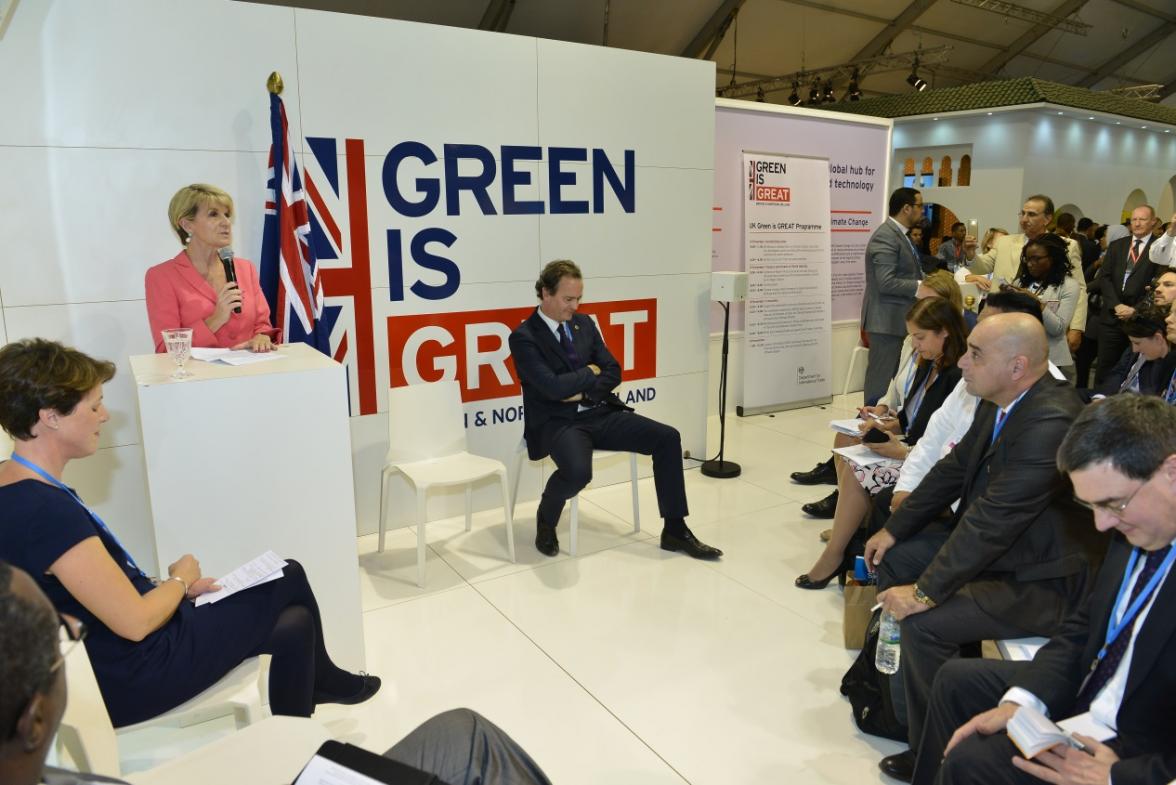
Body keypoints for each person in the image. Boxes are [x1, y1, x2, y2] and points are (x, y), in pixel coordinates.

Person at [0, 339, 378, 728]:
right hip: (133, 673)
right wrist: (181, 580)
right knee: (289, 574)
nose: (104, 416)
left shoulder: (14, 485)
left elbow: (90, 590)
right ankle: (323, 684)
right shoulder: (44, 512)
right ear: (50, 417)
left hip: (110, 659)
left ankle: (298, 733)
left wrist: (164, 586)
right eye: (94, 405)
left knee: (295, 624)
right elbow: (135, 622)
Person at [0, 561, 552, 785]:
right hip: (160, 645)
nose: (75, 630)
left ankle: (318, 683)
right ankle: (322, 682)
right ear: (34, 718)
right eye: (66, 638)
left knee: (289, 622)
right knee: (470, 736)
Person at [862, 313, 1099, 782]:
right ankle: (918, 714)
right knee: (897, 557)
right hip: (1008, 554)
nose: (964, 364)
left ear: (1017, 366)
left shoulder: (1051, 421)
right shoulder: (1001, 400)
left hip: (1044, 579)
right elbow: (954, 468)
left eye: (975, 354)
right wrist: (895, 528)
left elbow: (993, 521)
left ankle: (934, 750)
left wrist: (925, 593)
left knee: (925, 619)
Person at [913, 394, 1176, 785]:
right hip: (1097, 689)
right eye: (1092, 507)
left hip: (1143, 740)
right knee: (955, 681)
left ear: (1171, 471)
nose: (1102, 526)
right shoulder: (1135, 528)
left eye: (1114, 504)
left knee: (973, 761)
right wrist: (1024, 701)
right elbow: (1084, 627)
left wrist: (1122, 777)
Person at [508, 260, 721, 560]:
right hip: (559, 422)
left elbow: (614, 371)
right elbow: (551, 388)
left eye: (579, 298)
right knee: (579, 472)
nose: (575, 306)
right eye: (568, 299)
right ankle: (547, 516)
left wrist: (582, 390)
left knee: (667, 438)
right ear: (545, 293)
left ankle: (675, 529)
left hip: (599, 412)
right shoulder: (524, 337)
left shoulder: (585, 324)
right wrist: (589, 372)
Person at [795, 297, 966, 589]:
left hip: (923, 461)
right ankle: (849, 529)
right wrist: (886, 424)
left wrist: (902, 451)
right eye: (913, 336)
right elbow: (913, 416)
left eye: (920, 337)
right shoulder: (930, 364)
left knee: (856, 471)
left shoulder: (958, 378)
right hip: (910, 448)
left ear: (945, 332)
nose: (915, 344)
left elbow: (946, 442)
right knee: (846, 440)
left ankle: (835, 553)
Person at [795, 273, 961, 516]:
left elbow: (937, 433)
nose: (920, 307)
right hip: (904, 421)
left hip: (915, 439)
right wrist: (883, 409)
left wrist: (899, 433)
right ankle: (844, 500)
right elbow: (897, 385)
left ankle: (849, 511)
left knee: (856, 451)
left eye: (929, 302)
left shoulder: (950, 369)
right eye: (918, 301)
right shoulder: (916, 346)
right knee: (847, 436)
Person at [145, 184, 277, 354]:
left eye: (227, 215)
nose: (226, 222)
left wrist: (262, 337)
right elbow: (166, 349)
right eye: (214, 214)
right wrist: (216, 319)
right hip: (198, 377)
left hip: (248, 373)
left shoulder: (245, 269)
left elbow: (262, 325)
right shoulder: (161, 276)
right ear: (187, 225)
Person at [964, 195, 1087, 355]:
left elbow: (1080, 288)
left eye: (1031, 214)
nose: (1024, 219)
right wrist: (971, 255)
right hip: (1000, 318)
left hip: (1041, 324)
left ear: (1047, 218)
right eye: (1022, 213)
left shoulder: (1067, 246)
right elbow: (982, 267)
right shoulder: (1005, 242)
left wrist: (1076, 327)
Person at [861, 188, 926, 405]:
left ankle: (884, 426)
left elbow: (907, 272)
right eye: (920, 206)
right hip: (886, 322)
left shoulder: (902, 235)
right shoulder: (886, 235)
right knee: (879, 382)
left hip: (897, 320)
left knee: (896, 381)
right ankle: (867, 425)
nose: (923, 211)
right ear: (907, 208)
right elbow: (886, 281)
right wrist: (920, 286)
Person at [1096, 206, 1160, 384]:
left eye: (1143, 219)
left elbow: (1157, 285)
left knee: (1133, 368)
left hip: (1139, 319)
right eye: (1134, 220)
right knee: (1105, 366)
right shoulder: (1118, 245)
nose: (1137, 223)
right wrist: (1116, 305)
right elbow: (1105, 278)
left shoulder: (1158, 248)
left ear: (1153, 222)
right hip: (1112, 316)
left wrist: (1136, 310)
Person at [1006, 233, 1080, 381]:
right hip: (1019, 352)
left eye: (1037, 259)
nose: (1030, 263)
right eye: (1028, 259)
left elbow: (1058, 329)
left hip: (1050, 356)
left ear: (1052, 258)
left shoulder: (1068, 286)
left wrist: (1036, 302)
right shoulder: (1021, 283)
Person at [1089, 305, 1176, 402]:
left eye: (1175, 314)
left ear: (1158, 338)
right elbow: (1118, 373)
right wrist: (1101, 397)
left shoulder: (1166, 361)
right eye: (1171, 313)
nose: (1168, 319)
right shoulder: (1138, 343)